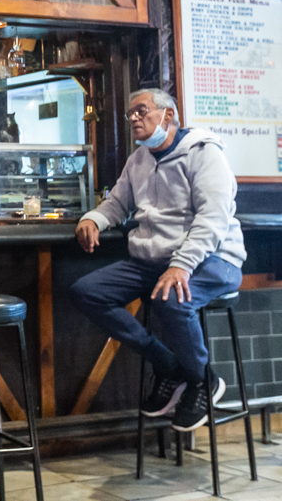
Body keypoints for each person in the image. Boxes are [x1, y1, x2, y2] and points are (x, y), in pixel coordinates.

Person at [70, 88, 246, 432]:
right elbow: (117, 203)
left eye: (142, 111)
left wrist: (181, 265)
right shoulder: (139, 158)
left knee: (172, 299)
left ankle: (201, 380)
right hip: (153, 261)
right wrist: (92, 219)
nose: (133, 117)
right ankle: (167, 364)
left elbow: (213, 218)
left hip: (213, 259)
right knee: (86, 291)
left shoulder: (204, 153)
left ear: (168, 115)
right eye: (130, 113)